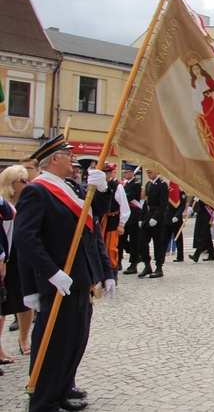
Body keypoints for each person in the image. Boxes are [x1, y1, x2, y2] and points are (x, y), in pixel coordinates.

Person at [14, 134, 115, 412]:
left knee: (74, 339)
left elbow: (92, 223)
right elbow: (26, 238)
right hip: (59, 280)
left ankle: (61, 390)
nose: (74, 160)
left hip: (80, 278)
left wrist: (103, 190)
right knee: (54, 343)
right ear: (54, 159)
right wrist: (50, 273)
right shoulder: (38, 190)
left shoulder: (70, 187)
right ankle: (43, 400)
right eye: (69, 155)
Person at [0, 165, 33, 365]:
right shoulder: (4, 204)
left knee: (25, 299)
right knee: (2, 303)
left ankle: (24, 338)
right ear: (11, 183)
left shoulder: (29, 201)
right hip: (5, 258)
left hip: (22, 255)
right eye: (23, 181)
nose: (27, 184)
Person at [136, 169, 169, 278]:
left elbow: (163, 204)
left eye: (150, 172)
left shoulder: (162, 185)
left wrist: (156, 217)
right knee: (142, 242)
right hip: (147, 216)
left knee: (158, 243)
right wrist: (141, 217)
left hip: (157, 219)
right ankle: (147, 265)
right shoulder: (148, 184)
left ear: (157, 172)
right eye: (147, 172)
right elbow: (145, 202)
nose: (148, 174)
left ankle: (159, 267)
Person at [100, 164, 130, 277]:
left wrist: (121, 223)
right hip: (102, 220)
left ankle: (112, 272)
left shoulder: (117, 186)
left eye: (106, 173)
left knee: (110, 247)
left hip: (112, 219)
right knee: (100, 246)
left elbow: (124, 206)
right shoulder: (98, 185)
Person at [121, 164, 143, 275]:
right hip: (126, 215)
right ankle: (135, 255)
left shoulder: (136, 184)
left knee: (135, 241)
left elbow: (128, 197)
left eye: (126, 172)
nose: (124, 174)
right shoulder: (125, 184)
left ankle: (133, 264)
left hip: (134, 216)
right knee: (122, 239)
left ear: (131, 172)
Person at [167, 182, 187, 262]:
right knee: (164, 238)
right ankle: (161, 255)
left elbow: (182, 206)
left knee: (178, 239)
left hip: (176, 219)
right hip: (168, 219)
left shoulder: (181, 193)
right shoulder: (169, 190)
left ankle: (180, 257)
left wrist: (177, 215)